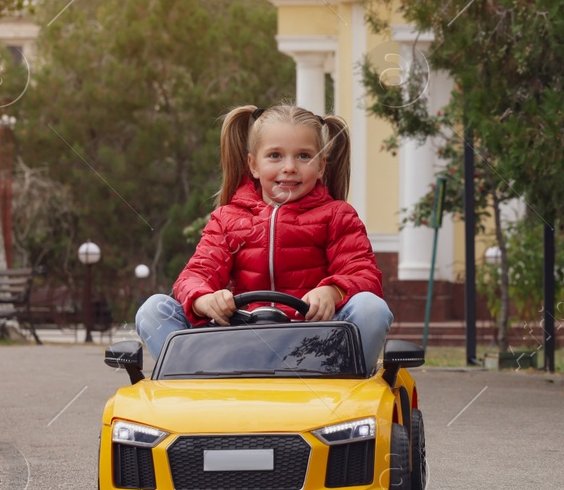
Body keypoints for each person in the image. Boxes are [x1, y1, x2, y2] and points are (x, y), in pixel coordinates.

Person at [136, 104, 393, 376]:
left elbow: (364, 275)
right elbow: (195, 275)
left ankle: (346, 383)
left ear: (321, 166)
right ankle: (194, 383)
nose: (290, 167)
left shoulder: (337, 215)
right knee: (153, 310)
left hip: (315, 345)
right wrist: (204, 299)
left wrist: (333, 291)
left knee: (371, 307)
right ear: (253, 165)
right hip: (239, 342)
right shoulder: (227, 219)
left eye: (304, 156)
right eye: (275, 156)